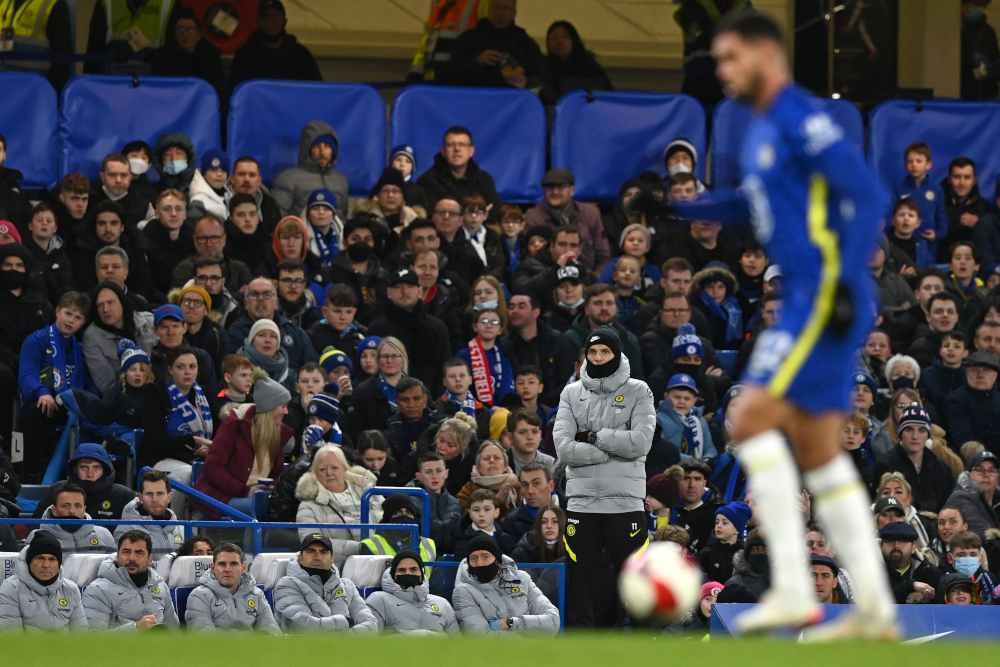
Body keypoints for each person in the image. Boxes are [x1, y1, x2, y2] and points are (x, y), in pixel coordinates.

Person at [669, 11, 898, 638]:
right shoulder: (763, 128)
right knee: (819, 448)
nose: (721, 71)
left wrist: (846, 282)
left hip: (822, 296)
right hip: (808, 296)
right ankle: (874, 606)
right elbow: (759, 201)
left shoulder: (803, 118)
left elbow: (870, 196)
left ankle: (796, 587)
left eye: (729, 57)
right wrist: (693, 204)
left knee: (746, 418)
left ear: (766, 53)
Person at [553, 324, 655, 626]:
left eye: (605, 351)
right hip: (582, 505)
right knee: (580, 585)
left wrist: (593, 437)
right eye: (593, 352)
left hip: (625, 506)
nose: (598, 357)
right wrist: (611, 448)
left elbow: (641, 442)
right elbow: (563, 448)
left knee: (634, 583)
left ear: (617, 353)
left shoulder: (639, 390)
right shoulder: (571, 393)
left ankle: (639, 650)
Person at [17, 291, 96, 482]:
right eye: (68, 313)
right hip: (42, 401)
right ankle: (30, 473)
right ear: (58, 311)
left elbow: (89, 383)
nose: (71, 320)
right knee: (41, 410)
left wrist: (92, 400)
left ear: (83, 322)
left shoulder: (79, 349)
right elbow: (26, 375)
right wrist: (42, 392)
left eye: (77, 317)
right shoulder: (36, 340)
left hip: (69, 406)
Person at [192, 376, 292, 518]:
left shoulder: (277, 433)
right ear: (269, 408)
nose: (286, 412)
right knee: (262, 509)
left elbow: (276, 474)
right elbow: (212, 467)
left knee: (285, 507)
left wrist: (270, 487)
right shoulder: (233, 426)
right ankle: (255, 540)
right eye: (283, 407)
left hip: (257, 496)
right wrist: (245, 491)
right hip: (221, 497)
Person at [452, 532, 559, 633]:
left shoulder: (522, 579)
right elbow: (481, 637)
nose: (480, 563)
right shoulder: (463, 592)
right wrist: (531, 631)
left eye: (486, 557)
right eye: (473, 558)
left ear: (497, 560)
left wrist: (509, 623)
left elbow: (553, 621)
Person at [294, 444, 380, 568]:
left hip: (377, 563)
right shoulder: (308, 505)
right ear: (315, 473)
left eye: (335, 468)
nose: (329, 473)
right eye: (322, 469)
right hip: (338, 568)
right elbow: (313, 544)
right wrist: (360, 548)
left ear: (345, 469)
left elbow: (387, 525)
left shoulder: (369, 493)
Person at [367, 268, 451, 394]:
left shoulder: (437, 328)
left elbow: (445, 370)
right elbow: (372, 371)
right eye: (398, 287)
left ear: (420, 291)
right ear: (389, 292)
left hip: (430, 401)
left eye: (410, 286)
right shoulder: (377, 328)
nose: (404, 291)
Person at [273, 533, 378, 631]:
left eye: (323, 552)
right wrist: (345, 622)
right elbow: (302, 625)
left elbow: (371, 623)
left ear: (332, 560)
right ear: (300, 558)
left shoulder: (347, 586)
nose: (317, 557)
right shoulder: (287, 585)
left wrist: (347, 636)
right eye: (310, 551)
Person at [82, 530, 179, 630]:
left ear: (150, 560)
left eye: (139, 553)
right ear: (118, 556)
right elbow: (93, 640)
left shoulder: (160, 586)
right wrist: (135, 629)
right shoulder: (98, 590)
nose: (132, 558)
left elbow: (174, 632)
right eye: (126, 552)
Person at [525, 169, 611, 273]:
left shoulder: (590, 214)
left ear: (572, 190)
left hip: (589, 280)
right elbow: (533, 261)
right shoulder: (534, 218)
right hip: (550, 280)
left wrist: (593, 282)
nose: (555, 192)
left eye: (560, 187)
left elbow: (603, 256)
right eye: (550, 188)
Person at [227, 277, 320, 373]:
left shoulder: (295, 331)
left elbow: (312, 369)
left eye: (267, 294)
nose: (261, 298)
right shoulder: (235, 333)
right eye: (254, 294)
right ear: (246, 303)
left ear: (276, 303)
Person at [872, 406, 953, 514]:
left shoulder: (941, 468)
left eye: (921, 430)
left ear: (927, 436)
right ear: (900, 434)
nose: (915, 436)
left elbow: (948, 507)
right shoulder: (885, 464)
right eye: (909, 430)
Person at [501, 293, 577, 408]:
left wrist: (543, 405)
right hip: (518, 408)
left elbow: (567, 380)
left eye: (521, 307)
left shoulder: (556, 340)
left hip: (556, 406)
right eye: (511, 307)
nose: (514, 311)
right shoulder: (505, 345)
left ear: (536, 312)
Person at [0, 531, 88, 630]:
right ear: (29, 561)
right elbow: (12, 637)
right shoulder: (11, 589)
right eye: (40, 558)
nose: (46, 565)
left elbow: (81, 635)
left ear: (59, 564)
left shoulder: (70, 589)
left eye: (52, 559)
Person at [185, 543, 280, 632]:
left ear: (243, 567)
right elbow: (205, 638)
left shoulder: (256, 594)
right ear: (213, 568)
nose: (228, 569)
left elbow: (271, 630)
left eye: (234, 564)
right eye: (222, 564)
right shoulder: (200, 595)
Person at [31, 444, 134, 521]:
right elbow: (36, 527)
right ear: (75, 469)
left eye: (96, 468)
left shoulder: (123, 495)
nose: (90, 474)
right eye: (84, 467)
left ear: (105, 470)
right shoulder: (57, 490)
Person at [563, 284, 646, 381]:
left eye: (609, 303)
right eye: (598, 303)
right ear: (587, 309)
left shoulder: (629, 340)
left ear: (616, 308)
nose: (604, 308)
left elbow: (637, 380)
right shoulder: (570, 339)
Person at [231, 0, 322, 87]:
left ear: (284, 21)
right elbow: (236, 91)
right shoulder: (245, 56)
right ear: (258, 21)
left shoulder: (301, 55)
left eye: (276, 16)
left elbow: (315, 89)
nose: (271, 21)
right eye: (266, 16)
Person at [366, 549, 459, 634]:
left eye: (413, 569)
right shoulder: (379, 601)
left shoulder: (443, 604)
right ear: (393, 574)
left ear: (422, 573)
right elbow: (369, 642)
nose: (408, 573)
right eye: (402, 570)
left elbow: (457, 644)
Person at [416, 127, 502, 218]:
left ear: (471, 151)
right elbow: (432, 215)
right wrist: (476, 213)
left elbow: (495, 211)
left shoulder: (484, 179)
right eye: (451, 145)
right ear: (443, 151)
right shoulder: (427, 181)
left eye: (462, 144)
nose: (457, 149)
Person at [271, 122, 348, 219]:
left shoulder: (341, 181)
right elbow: (276, 217)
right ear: (307, 149)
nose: (322, 152)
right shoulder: (288, 179)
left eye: (327, 146)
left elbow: (343, 217)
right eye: (316, 146)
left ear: (334, 151)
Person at [149, 7, 225, 95]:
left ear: (199, 35)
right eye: (181, 29)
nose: (185, 34)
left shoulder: (210, 56)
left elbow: (219, 88)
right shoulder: (162, 57)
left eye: (190, 30)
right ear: (175, 33)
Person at [170, 214, 254, 291]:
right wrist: (238, 295)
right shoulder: (183, 270)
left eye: (214, 238)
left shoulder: (239, 269)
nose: (209, 244)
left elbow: (252, 298)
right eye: (203, 238)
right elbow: (190, 301)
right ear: (195, 241)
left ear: (224, 239)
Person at [28, 482, 115, 555]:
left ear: (84, 510)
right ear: (54, 510)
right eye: (66, 506)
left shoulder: (103, 534)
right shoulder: (37, 536)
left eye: (78, 506)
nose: (72, 511)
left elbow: (113, 566)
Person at [114, 470, 183, 558]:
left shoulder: (181, 529)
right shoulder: (126, 530)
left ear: (169, 497)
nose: (154, 499)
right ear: (141, 498)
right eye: (149, 494)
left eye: (160, 493)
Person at [945, 351, 1000, 451]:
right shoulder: (956, 400)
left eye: (986, 370)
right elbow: (964, 439)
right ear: (966, 373)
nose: (980, 375)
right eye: (974, 370)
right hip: (972, 459)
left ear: (996, 375)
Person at [410, 452, 462, 553]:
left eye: (439, 471)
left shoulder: (455, 503)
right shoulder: (412, 502)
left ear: (446, 473)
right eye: (428, 472)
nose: (434, 476)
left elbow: (458, 537)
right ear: (419, 476)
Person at [879, 521, 943, 604]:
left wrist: (925, 597)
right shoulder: (871, 571)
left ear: (913, 547)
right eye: (890, 540)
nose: (896, 546)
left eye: (903, 541)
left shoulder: (929, 571)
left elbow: (943, 603)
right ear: (881, 545)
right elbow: (874, 603)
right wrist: (911, 586)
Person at [657, 374, 717, 461]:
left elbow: (710, 448)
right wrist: (693, 462)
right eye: (677, 397)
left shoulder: (700, 420)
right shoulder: (658, 419)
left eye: (687, 398)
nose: (681, 402)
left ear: (694, 401)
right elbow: (662, 451)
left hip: (698, 468)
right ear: (666, 397)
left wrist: (707, 459)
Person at [545, 20, 612, 97]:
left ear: (574, 40)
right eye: (554, 37)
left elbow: (608, 92)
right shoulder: (543, 67)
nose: (560, 41)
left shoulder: (589, 66)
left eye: (566, 37)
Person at [88, 154, 154, 227]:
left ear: (130, 177)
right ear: (102, 177)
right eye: (112, 175)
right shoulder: (87, 201)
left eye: (123, 175)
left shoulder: (144, 205)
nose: (118, 180)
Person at [945, 451, 1000, 538]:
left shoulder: (997, 501)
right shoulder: (961, 498)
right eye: (979, 470)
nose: (986, 475)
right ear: (969, 475)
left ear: (997, 478)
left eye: (991, 470)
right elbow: (982, 534)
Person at [698, 501, 752, 584]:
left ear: (737, 530)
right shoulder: (706, 553)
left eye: (724, 523)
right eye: (717, 522)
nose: (719, 526)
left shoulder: (744, 554)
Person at [227, 156, 283, 235]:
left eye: (252, 175)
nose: (246, 179)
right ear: (232, 178)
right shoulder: (220, 202)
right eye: (242, 174)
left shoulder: (270, 204)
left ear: (259, 181)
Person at [961, 0, 1000, 101]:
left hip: (987, 95)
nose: (981, 9)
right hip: (964, 94)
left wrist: (994, 69)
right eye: (977, 5)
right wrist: (973, 63)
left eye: (983, 5)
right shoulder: (956, 30)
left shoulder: (988, 31)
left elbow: (994, 56)